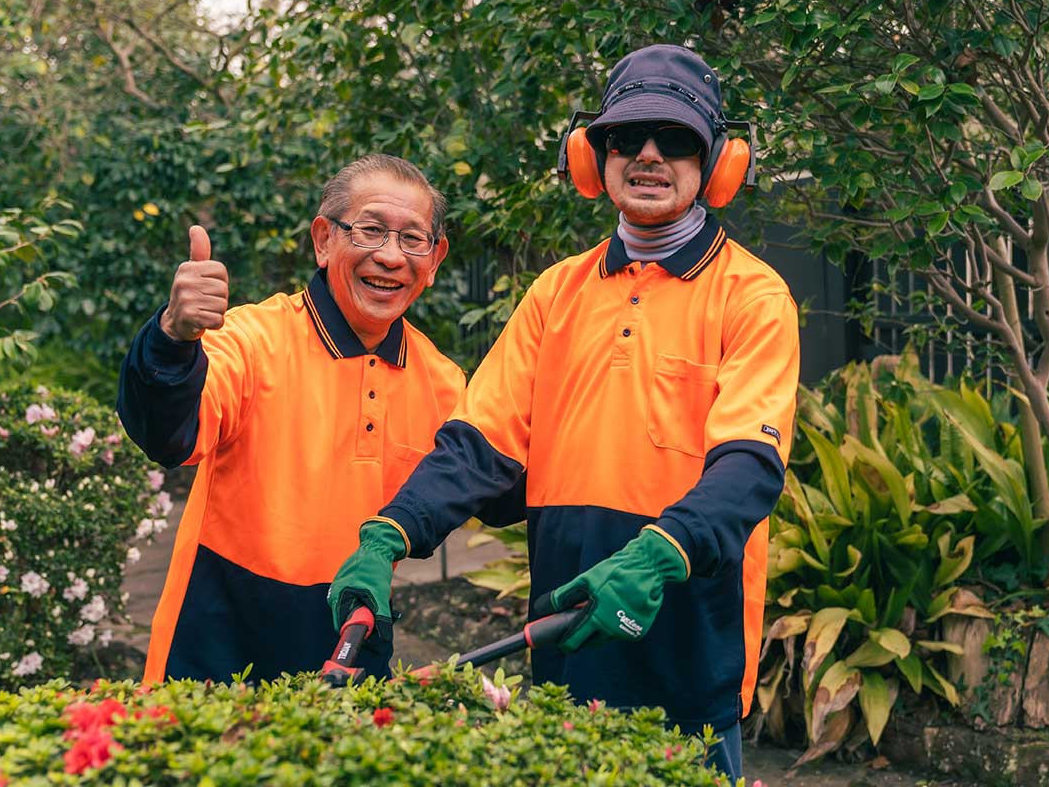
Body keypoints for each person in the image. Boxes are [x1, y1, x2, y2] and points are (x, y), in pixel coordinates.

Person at [326, 45, 799, 778]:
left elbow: (749, 466)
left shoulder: (752, 295)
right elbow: (479, 443)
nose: (647, 154)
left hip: (686, 644)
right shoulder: (556, 292)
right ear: (591, 156)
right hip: (566, 642)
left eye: (674, 139)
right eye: (625, 136)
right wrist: (390, 535)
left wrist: (660, 551)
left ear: (717, 163)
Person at [118, 154, 510, 684]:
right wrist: (171, 338)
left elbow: (497, 490)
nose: (390, 256)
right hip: (217, 639)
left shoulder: (441, 382)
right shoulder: (252, 340)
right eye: (370, 230)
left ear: (435, 257)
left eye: (412, 239)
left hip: (354, 635)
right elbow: (169, 434)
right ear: (324, 240)